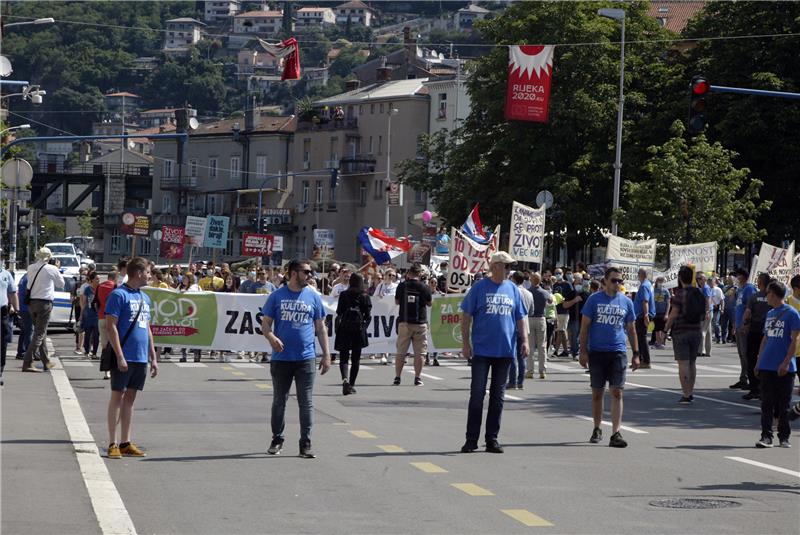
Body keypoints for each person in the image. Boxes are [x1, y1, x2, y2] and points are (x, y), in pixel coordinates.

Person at [460, 252, 528, 454]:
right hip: (481, 349)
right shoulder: (479, 288)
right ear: (496, 266)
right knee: (477, 395)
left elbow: (520, 317)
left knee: (498, 397)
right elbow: (466, 316)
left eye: (510, 267)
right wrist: (465, 343)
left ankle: (492, 439)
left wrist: (524, 340)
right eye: (506, 266)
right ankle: (471, 439)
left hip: (505, 350)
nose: (509, 271)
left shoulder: (513, 290)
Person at [261, 259, 331, 458]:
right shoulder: (276, 296)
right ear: (293, 273)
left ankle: (305, 443)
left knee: (306, 401)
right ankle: (277, 439)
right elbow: (265, 324)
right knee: (279, 400)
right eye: (306, 272)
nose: (310, 275)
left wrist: (326, 355)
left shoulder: (313, 297)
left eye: (311, 272)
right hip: (281, 359)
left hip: (306, 358)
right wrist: (271, 336)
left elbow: (320, 327)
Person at [579, 267, 640, 448]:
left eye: (620, 281)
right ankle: (597, 427)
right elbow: (584, 328)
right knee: (597, 393)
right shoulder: (594, 300)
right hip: (597, 352)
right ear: (605, 281)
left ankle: (616, 432)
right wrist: (583, 351)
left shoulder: (626, 302)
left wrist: (636, 354)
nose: (617, 284)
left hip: (618, 352)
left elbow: (631, 329)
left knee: (617, 391)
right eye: (614, 280)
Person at [105, 257, 158, 459]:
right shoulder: (118, 295)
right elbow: (111, 327)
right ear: (138, 273)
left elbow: (147, 329)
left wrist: (153, 356)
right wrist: (119, 355)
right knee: (117, 397)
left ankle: (126, 441)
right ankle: (113, 442)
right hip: (124, 355)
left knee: (130, 399)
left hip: (140, 356)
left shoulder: (145, 298)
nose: (150, 276)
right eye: (148, 272)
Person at [753, 280, 799, 448]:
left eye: (769, 294)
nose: (767, 296)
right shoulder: (770, 314)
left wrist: (786, 362)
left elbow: (795, 340)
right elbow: (765, 339)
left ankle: (784, 436)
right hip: (767, 364)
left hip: (785, 367)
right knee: (766, 403)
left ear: (774, 295)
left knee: (783, 405)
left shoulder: (792, 313)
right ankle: (766, 436)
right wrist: (758, 361)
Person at [664, 266, 704, 403]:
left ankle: (686, 394)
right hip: (696, 331)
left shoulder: (680, 294)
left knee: (683, 364)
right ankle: (691, 391)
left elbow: (673, 314)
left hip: (681, 332)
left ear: (680, 278)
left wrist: (665, 330)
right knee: (692, 363)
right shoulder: (699, 293)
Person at [22, 248, 65, 372]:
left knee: (41, 332)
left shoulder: (30, 267)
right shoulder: (51, 269)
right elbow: (61, 284)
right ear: (49, 257)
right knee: (40, 334)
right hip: (44, 303)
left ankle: (46, 361)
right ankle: (28, 361)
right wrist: (56, 268)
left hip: (31, 303)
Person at [393, 263, 433, 386]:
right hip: (420, 323)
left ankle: (397, 377)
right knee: (420, 353)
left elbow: (396, 301)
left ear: (409, 273)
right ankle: (417, 378)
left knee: (401, 352)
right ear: (420, 274)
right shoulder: (424, 287)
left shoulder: (402, 286)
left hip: (404, 322)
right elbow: (429, 304)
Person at [334, 272, 372, 395]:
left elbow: (339, 312)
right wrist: (363, 327)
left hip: (344, 328)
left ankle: (344, 380)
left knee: (344, 357)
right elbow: (368, 316)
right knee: (356, 359)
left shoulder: (344, 294)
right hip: (358, 330)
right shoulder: (365, 296)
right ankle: (351, 384)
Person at [742, 273, 773, 401]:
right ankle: (764, 388)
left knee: (751, 358)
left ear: (760, 283)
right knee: (766, 358)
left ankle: (754, 388)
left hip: (755, 330)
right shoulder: (772, 297)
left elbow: (747, 314)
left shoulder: (754, 297)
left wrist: (744, 324)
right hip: (768, 332)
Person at [731, 268, 756, 390]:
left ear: (743, 277)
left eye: (738, 276)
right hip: (738, 326)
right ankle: (743, 378)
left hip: (745, 327)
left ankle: (749, 379)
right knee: (742, 354)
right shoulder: (740, 290)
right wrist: (735, 325)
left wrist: (746, 324)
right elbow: (738, 308)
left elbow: (751, 308)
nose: (736, 278)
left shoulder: (749, 289)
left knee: (746, 354)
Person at [507, 271, 533, 389]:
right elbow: (531, 311)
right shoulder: (529, 293)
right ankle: (520, 381)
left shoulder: (512, 291)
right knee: (522, 355)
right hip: (525, 325)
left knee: (512, 354)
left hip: (513, 325)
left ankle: (512, 381)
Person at [525, 273, 552, 380]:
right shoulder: (544, 292)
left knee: (530, 346)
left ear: (531, 280)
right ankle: (542, 371)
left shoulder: (528, 292)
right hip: (541, 318)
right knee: (542, 346)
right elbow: (550, 301)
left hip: (530, 318)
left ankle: (530, 370)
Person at [97, 271, 118, 379]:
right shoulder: (115, 287)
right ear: (115, 278)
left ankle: (106, 371)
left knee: (104, 345)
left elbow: (96, 302)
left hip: (101, 316)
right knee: (114, 343)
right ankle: (113, 369)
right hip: (112, 317)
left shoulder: (100, 286)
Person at [0, 263, 18, 385]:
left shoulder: (6, 274)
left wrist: (17, 310)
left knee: (2, 342)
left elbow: (12, 293)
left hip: (2, 312)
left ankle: (0, 370)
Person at [633, 268, 655, 369]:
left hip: (643, 315)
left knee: (641, 338)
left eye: (638, 273)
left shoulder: (644, 286)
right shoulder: (648, 284)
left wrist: (646, 315)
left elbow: (645, 301)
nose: (637, 275)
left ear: (642, 275)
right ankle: (642, 360)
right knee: (640, 338)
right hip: (643, 314)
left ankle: (646, 361)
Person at [79, 272, 100, 358]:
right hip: (88, 314)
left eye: (99, 279)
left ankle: (94, 352)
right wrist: (81, 314)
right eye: (97, 279)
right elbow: (84, 302)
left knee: (96, 335)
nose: (98, 280)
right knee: (87, 334)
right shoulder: (87, 289)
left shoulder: (100, 288)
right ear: (92, 280)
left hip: (97, 315)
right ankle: (87, 351)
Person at [15, 273, 34, 364]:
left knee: (24, 331)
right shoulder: (29, 278)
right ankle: (28, 353)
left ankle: (21, 351)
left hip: (23, 307)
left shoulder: (24, 277)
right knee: (29, 331)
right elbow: (30, 293)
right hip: (27, 308)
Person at [695, 272, 713, 356]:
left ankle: (701, 350)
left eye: (700, 278)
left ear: (705, 279)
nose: (698, 280)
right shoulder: (702, 288)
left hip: (706, 312)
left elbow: (708, 300)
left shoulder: (705, 287)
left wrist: (707, 311)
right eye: (697, 278)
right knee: (708, 333)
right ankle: (708, 352)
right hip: (706, 311)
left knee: (702, 331)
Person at [651, 276, 670, 349]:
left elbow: (668, 303)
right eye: (659, 280)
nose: (660, 282)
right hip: (655, 312)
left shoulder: (666, 291)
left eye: (662, 281)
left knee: (663, 328)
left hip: (663, 312)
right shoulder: (653, 290)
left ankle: (662, 342)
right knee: (656, 328)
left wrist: (667, 314)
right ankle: (658, 343)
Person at [709, 276, 725, 344]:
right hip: (709, 308)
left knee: (715, 323)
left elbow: (722, 300)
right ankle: (711, 337)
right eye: (708, 282)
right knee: (710, 324)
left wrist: (722, 308)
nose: (710, 283)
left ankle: (718, 337)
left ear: (714, 282)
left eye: (711, 282)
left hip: (716, 308)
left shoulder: (718, 289)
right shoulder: (708, 289)